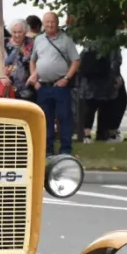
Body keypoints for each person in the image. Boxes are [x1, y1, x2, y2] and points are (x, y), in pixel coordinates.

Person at [28, 11, 80, 155]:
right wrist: (34, 79)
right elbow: (33, 60)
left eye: (52, 22)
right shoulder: (39, 39)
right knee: (45, 119)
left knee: (64, 118)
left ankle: (65, 149)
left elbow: (76, 61)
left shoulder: (65, 40)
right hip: (42, 86)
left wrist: (66, 79)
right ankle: (47, 149)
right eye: (47, 22)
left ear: (57, 23)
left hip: (60, 86)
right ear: (43, 24)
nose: (50, 25)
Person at [77, 42, 125, 141]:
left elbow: (81, 61)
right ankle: (105, 135)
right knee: (107, 108)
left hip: (89, 83)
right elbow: (116, 63)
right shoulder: (112, 44)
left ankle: (87, 136)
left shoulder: (88, 44)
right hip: (105, 82)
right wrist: (115, 78)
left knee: (89, 109)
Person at [5, 20, 34, 99]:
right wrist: (1, 76)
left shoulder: (31, 43)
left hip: (27, 87)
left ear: (25, 32)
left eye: (20, 32)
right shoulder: (4, 43)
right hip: (8, 85)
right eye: (14, 32)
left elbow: (36, 61)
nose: (17, 35)